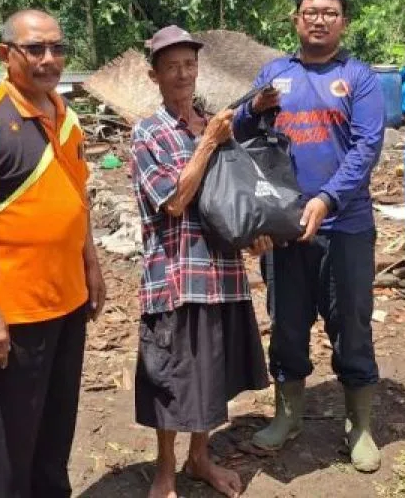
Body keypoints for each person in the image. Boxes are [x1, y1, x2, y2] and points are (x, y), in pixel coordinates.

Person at [0, 9, 107, 498]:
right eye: (35, 49)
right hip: (12, 312)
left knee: (55, 428)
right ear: (5, 54)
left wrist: (90, 266)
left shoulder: (66, 115)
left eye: (57, 47)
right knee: (8, 441)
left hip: (67, 301)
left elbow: (78, 198)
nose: (49, 59)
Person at [233, 0, 385, 473]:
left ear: (344, 22)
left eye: (330, 13)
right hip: (282, 228)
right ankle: (288, 416)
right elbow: (237, 133)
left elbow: (366, 148)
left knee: (352, 326)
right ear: (295, 19)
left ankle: (359, 426)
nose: (319, 20)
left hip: (345, 227)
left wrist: (326, 198)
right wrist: (253, 108)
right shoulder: (276, 74)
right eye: (310, 12)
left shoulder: (359, 79)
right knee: (288, 323)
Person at [130, 26, 270, 498]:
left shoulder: (213, 122)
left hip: (223, 274)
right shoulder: (148, 133)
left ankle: (199, 458)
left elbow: (231, 195)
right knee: (171, 377)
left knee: (210, 374)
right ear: (155, 75)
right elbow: (173, 201)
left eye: (189, 64)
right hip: (176, 274)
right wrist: (208, 142)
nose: (183, 74)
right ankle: (165, 470)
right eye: (172, 66)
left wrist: (253, 231)